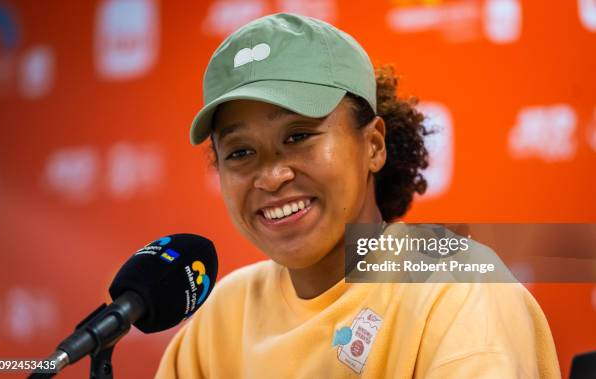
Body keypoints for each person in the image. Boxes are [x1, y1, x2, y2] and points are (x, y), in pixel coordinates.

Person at [155, 13, 560, 378]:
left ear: (374, 146)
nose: (272, 176)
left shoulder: (455, 285)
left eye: (299, 136)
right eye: (240, 152)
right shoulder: (223, 316)